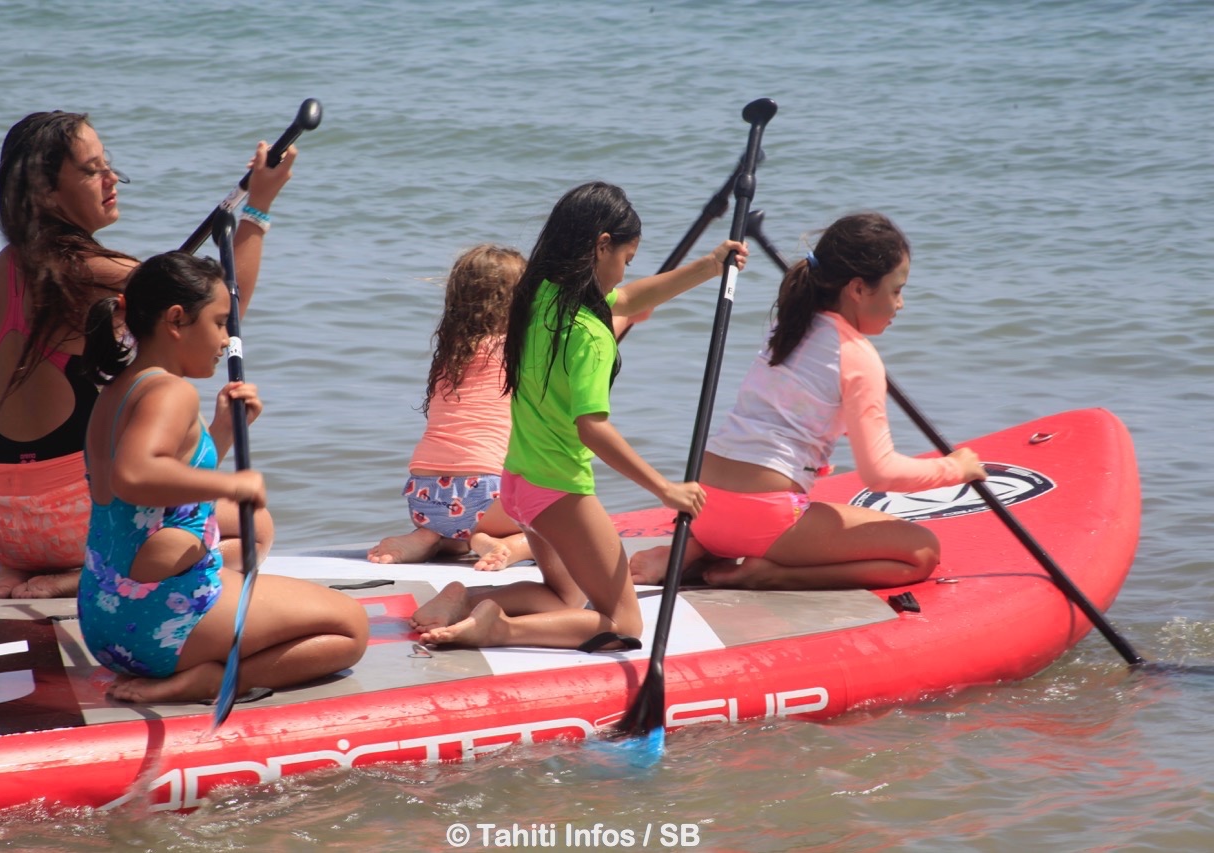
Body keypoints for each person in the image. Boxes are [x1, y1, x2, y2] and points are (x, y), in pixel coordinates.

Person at [0, 110, 288, 599]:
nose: (112, 179)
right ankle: (84, 573)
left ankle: (33, 569)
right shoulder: (97, 270)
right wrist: (259, 208)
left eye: (109, 164)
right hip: (67, 522)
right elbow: (221, 314)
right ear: (44, 191)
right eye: (91, 169)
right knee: (253, 528)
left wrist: (36, 401)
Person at [411, 181, 747, 651]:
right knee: (623, 623)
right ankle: (499, 629)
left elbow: (628, 300)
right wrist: (666, 489)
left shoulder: (539, 295)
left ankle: (464, 598)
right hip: (558, 490)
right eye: (625, 261)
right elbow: (592, 428)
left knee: (564, 595)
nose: (622, 275)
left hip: (517, 483)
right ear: (601, 245)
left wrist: (709, 267)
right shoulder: (589, 334)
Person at [629, 212, 988, 591]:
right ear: (858, 289)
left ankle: (692, 551)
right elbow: (879, 473)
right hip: (763, 519)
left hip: (700, 504)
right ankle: (772, 573)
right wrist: (955, 469)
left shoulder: (787, 324)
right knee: (921, 552)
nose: (900, 304)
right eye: (896, 290)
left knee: (751, 516)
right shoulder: (858, 356)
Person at [79, 252, 368, 703]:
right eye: (219, 323)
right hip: (157, 630)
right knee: (351, 626)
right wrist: (232, 484)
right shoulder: (170, 390)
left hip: (103, 621)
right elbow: (133, 474)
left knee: (243, 544)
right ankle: (217, 679)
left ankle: (203, 652)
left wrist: (221, 433)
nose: (227, 338)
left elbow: (151, 490)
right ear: (177, 320)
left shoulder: (117, 390)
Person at [366, 245, 538, 571]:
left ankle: (431, 537)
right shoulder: (520, 349)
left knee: (457, 529)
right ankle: (512, 544)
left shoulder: (450, 356)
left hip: (425, 497)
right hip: (490, 494)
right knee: (552, 527)